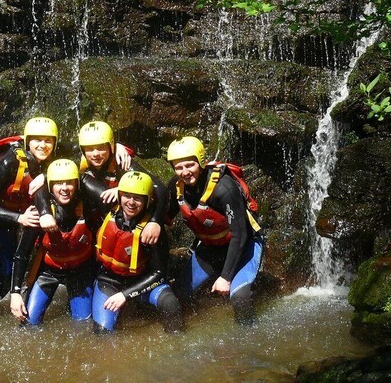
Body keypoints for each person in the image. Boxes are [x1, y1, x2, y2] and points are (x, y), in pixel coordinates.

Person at [0, 117, 57, 317]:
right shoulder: (10, 161)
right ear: (27, 141)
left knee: (7, 280)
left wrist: (116, 147)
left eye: (48, 141)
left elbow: (80, 153)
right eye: (37, 140)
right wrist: (19, 219)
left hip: (8, 225)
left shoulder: (50, 161)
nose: (43, 145)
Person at [165, 136, 263, 320]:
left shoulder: (223, 188)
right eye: (178, 167)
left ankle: (248, 343)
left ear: (201, 162)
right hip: (210, 248)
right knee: (179, 295)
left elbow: (240, 235)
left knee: (240, 298)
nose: (185, 172)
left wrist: (225, 278)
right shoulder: (176, 187)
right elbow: (162, 216)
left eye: (189, 165)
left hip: (244, 245)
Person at [92, 171, 183, 333]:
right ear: (119, 195)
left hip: (143, 282)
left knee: (171, 304)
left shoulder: (153, 230)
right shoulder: (107, 209)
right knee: (102, 333)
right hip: (109, 281)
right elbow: (79, 182)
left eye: (138, 198)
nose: (131, 203)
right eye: (127, 196)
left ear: (148, 201)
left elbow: (159, 273)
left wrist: (125, 295)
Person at [9, 159, 95, 325]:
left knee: (82, 325)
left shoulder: (88, 206)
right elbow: (21, 254)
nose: (64, 188)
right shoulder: (40, 214)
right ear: (50, 187)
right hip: (49, 272)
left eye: (69, 183)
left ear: (76, 185)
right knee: (29, 325)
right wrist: (15, 293)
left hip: (80, 272)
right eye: (58, 184)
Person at [76, 120, 167, 243]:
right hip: (96, 221)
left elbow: (160, 189)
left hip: (124, 218)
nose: (95, 154)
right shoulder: (78, 159)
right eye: (90, 149)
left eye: (101, 148)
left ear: (110, 147)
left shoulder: (121, 162)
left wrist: (155, 222)